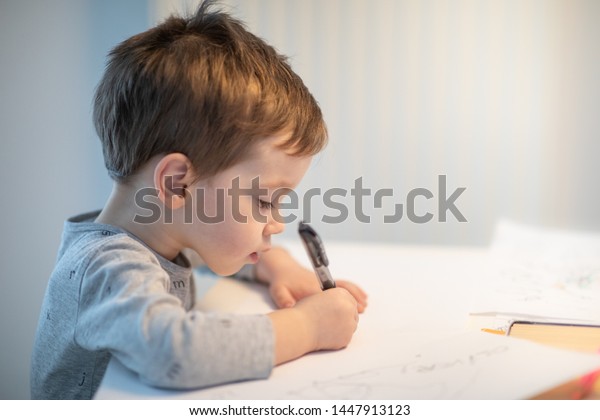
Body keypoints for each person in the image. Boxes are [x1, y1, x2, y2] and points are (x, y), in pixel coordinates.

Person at [30, 0, 367, 399]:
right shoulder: (106, 267)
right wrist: (308, 327)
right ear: (177, 184)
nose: (276, 223)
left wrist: (274, 265)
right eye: (264, 201)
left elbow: (205, 250)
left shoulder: (160, 233)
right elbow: (172, 351)